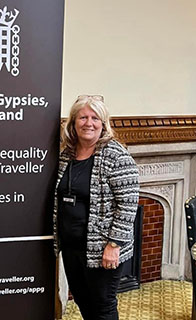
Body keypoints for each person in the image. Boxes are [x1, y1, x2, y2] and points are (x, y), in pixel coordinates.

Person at [53, 95, 139, 320]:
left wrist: (114, 245)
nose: (88, 123)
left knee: (103, 305)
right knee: (82, 300)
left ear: (103, 124)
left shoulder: (116, 155)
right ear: (73, 123)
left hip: (102, 248)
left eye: (94, 118)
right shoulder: (66, 155)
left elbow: (128, 206)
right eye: (82, 117)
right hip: (72, 246)